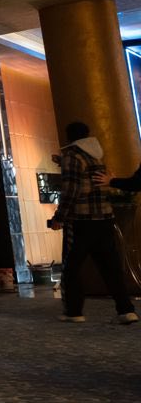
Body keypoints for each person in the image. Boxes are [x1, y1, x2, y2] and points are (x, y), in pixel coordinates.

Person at [49, 121, 137, 325]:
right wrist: (62, 162)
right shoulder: (96, 154)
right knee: (110, 267)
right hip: (104, 218)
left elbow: (71, 190)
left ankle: (74, 312)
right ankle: (126, 310)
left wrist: (59, 217)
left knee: (71, 267)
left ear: (69, 136)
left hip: (81, 220)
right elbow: (88, 176)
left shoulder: (72, 155)